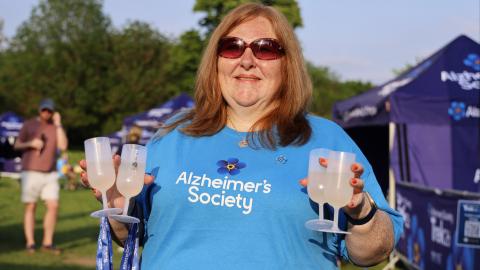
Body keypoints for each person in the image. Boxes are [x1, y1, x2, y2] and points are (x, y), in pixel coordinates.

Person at [80, 3, 403, 269]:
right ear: (216, 60)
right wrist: (118, 205)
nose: (246, 60)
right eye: (231, 47)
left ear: (287, 63)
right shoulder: (173, 132)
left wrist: (361, 211)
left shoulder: (325, 138)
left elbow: (374, 253)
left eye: (265, 49)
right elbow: (132, 236)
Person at [14, 98, 68, 254]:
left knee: (53, 206)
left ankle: (47, 243)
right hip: (30, 171)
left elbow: (63, 146)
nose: (47, 113)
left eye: (49, 111)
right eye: (44, 110)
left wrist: (58, 124)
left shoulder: (55, 127)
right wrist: (30, 143)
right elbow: (17, 144)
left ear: (53, 112)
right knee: (31, 206)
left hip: (50, 172)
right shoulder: (29, 124)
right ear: (39, 110)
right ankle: (30, 243)